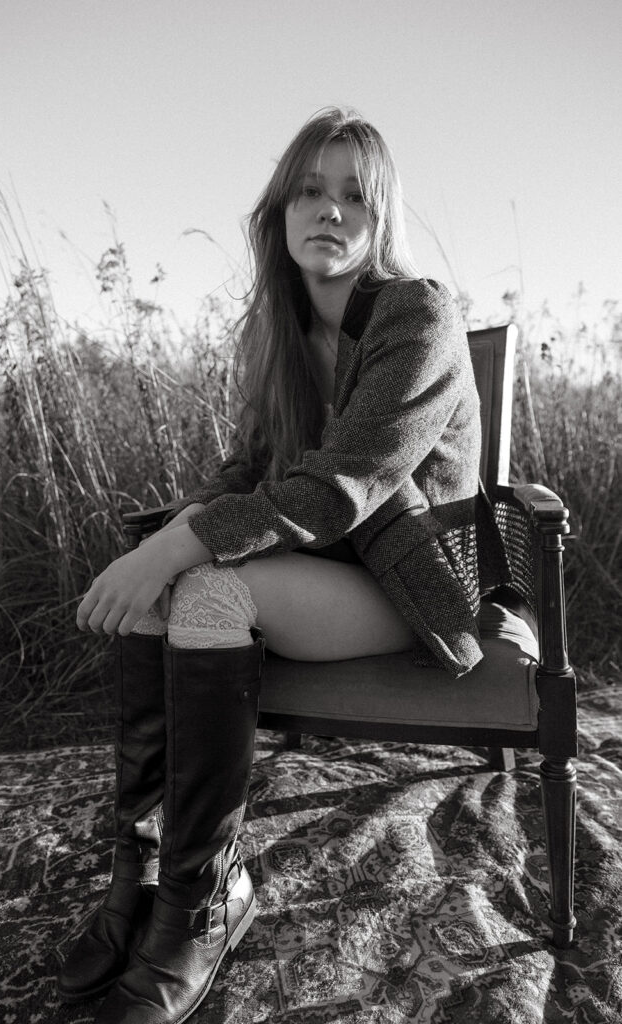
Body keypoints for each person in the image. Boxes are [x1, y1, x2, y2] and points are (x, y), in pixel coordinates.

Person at [58, 107, 508, 1023]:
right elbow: (250, 472)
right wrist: (169, 532)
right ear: (280, 209)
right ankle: (144, 876)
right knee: (168, 582)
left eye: (353, 196)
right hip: (320, 572)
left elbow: (342, 484)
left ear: (381, 220)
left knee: (207, 579)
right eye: (311, 189)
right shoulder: (277, 332)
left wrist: (182, 542)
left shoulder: (416, 315)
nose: (329, 211)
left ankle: (207, 899)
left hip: (408, 586)